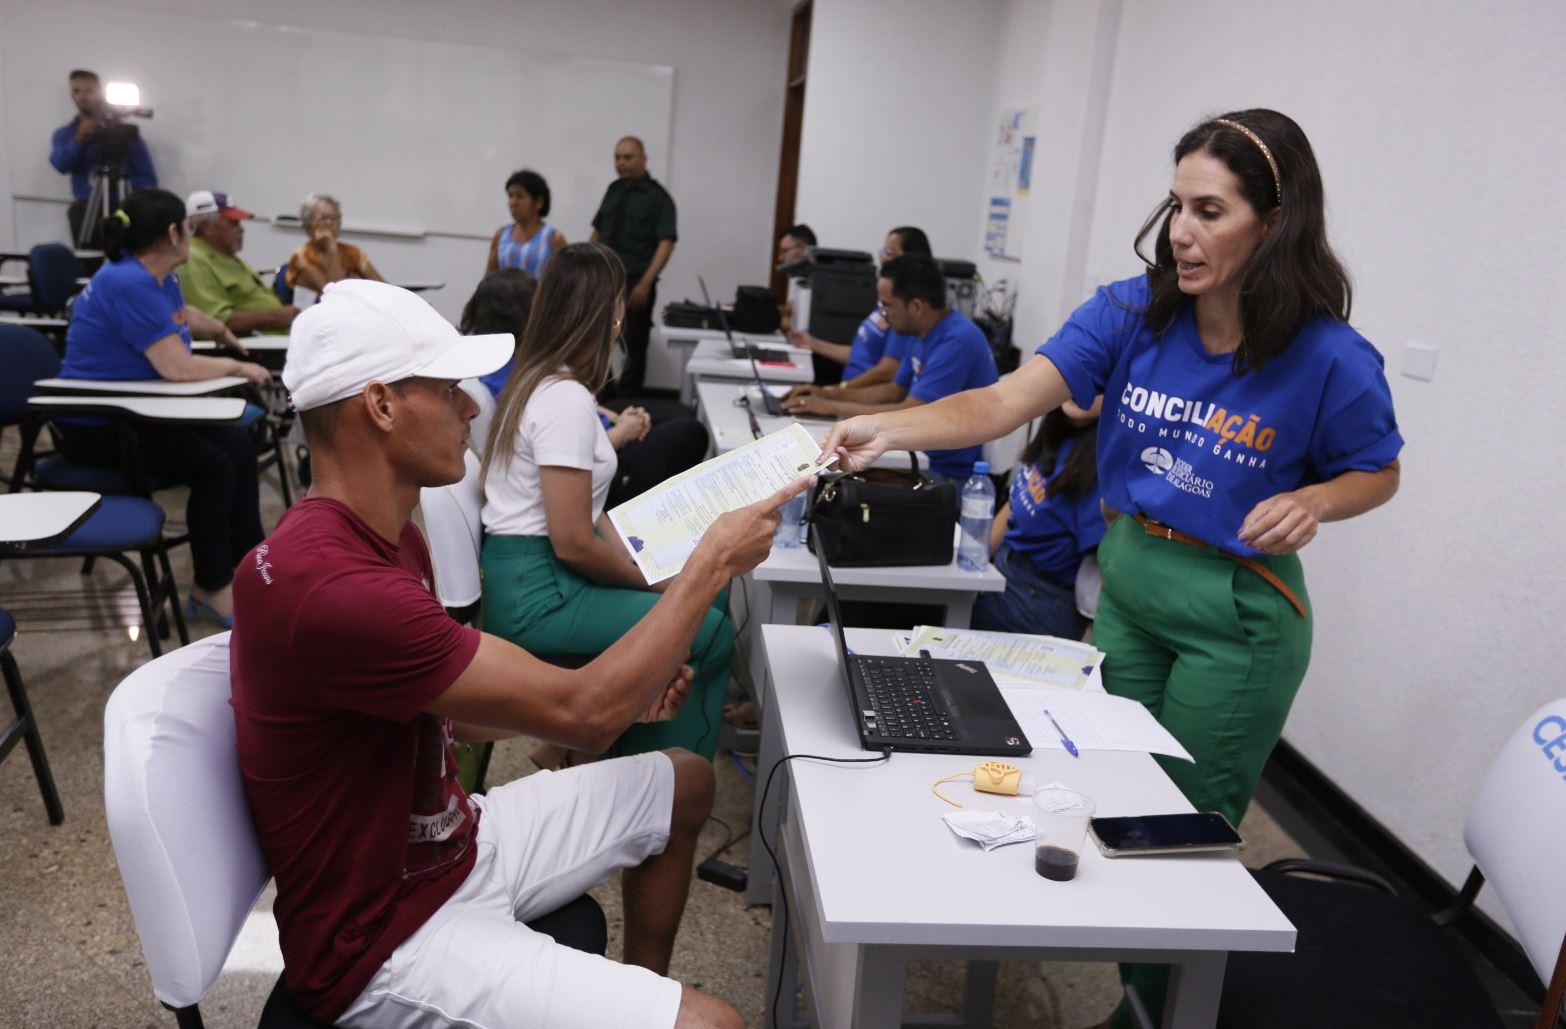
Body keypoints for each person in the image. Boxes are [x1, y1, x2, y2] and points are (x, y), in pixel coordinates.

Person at [819, 109, 1403, 1027]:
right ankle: (1142, 997)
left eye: (1210, 210)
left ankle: (1160, 1012)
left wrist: (1319, 501)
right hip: (1131, 588)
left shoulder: (1328, 354)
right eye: (1176, 205)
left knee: (1179, 837)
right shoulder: (1131, 311)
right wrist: (882, 428)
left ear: (1275, 220)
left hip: (1236, 617)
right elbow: (1004, 399)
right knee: (1117, 798)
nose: (1181, 231)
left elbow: (1380, 469)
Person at [478, 243, 730, 768]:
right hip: (538, 594)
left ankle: (603, 751)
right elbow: (572, 541)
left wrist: (665, 573)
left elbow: (585, 522)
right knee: (708, 629)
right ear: (609, 312)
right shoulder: (563, 398)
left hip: (531, 574)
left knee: (709, 597)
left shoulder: (538, 380)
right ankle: (653, 788)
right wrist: (651, 583)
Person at [56, 188, 272, 626]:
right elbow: (178, 368)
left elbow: (180, 313)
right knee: (214, 466)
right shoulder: (127, 281)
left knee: (238, 449)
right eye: (188, 229)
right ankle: (211, 588)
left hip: (139, 410)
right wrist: (237, 365)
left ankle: (253, 570)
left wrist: (220, 330)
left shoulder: (155, 276)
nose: (190, 236)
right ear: (174, 232)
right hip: (95, 423)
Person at [459, 269, 708, 502]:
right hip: (599, 457)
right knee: (691, 431)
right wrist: (622, 431)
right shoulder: (511, 374)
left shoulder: (512, 358)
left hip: (598, 434)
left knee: (680, 416)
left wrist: (614, 417)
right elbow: (565, 451)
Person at [788, 253, 998, 481]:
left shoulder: (957, 341)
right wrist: (828, 393)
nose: (884, 316)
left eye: (887, 306)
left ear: (917, 306)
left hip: (943, 473)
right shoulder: (922, 332)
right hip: (914, 456)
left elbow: (910, 412)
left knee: (820, 481)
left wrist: (829, 407)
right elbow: (892, 390)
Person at [971, 399, 1104, 640]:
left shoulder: (1102, 465)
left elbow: (1106, 558)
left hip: (1039, 601)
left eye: (1100, 384)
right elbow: (1014, 503)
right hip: (1002, 571)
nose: (1083, 390)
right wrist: (974, 559)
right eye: (1078, 376)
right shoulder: (1059, 434)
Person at [785, 225, 931, 388]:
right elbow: (860, 355)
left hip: (860, 394)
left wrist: (837, 391)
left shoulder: (904, 313)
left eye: (889, 253)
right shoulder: (886, 303)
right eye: (882, 252)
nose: (882, 259)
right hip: (848, 389)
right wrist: (812, 343)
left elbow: (888, 371)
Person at [590, 136, 677, 395]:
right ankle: (602, 395)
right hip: (605, 279)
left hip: (635, 280)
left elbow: (666, 242)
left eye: (628, 157)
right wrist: (585, 266)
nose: (621, 163)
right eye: (617, 157)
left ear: (643, 159)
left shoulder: (658, 197)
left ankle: (629, 404)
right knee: (596, 341)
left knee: (634, 346)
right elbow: (597, 231)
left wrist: (646, 283)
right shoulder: (613, 190)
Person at [49, 69, 157, 244]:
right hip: (86, 211)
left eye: (89, 90)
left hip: (122, 211)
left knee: (125, 261)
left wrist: (122, 184)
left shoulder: (125, 135)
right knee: (88, 263)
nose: (83, 96)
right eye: (77, 91)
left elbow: (148, 178)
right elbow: (61, 165)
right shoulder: (66, 133)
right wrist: (79, 138)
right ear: (71, 96)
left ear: (100, 93)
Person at [181, 190, 299, 335]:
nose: (242, 229)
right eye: (234, 223)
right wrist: (276, 317)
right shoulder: (194, 260)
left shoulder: (225, 254)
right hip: (254, 347)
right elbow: (215, 320)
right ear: (206, 226)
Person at [285, 193, 383, 293]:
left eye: (333, 218)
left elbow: (383, 287)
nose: (328, 223)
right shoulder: (302, 256)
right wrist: (331, 249)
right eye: (321, 218)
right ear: (307, 225)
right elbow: (334, 294)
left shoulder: (352, 252)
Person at [486, 169, 567, 277]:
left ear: (539, 202)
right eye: (510, 196)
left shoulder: (553, 238)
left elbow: (564, 280)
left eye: (520, 196)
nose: (513, 202)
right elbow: (489, 278)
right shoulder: (501, 235)